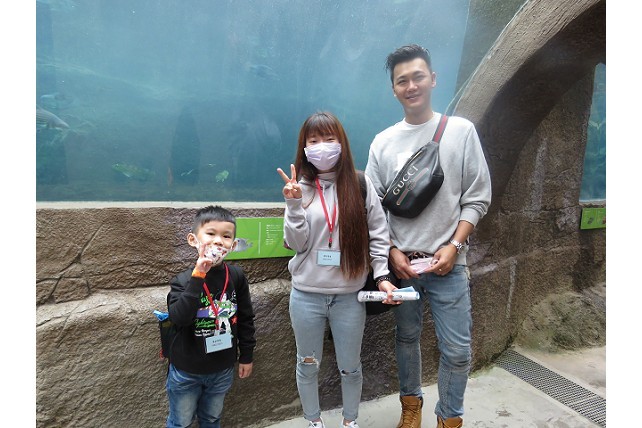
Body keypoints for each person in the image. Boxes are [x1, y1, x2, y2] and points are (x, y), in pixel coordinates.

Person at [365, 44, 492, 428]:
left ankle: (449, 418)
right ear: (394, 89)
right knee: (406, 338)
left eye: (418, 76)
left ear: (433, 79)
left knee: (458, 350)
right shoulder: (382, 142)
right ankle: (411, 407)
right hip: (403, 266)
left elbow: (477, 198)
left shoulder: (461, 131)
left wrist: (454, 246)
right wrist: (391, 252)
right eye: (402, 80)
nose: (411, 86)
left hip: (449, 263)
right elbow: (373, 209)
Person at [276, 111, 397, 428]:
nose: (322, 147)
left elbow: (379, 233)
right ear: (304, 148)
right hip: (306, 296)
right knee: (307, 364)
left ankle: (349, 421)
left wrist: (382, 276)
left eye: (329, 139)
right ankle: (313, 421)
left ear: (341, 142)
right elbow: (296, 243)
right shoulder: (299, 188)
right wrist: (293, 205)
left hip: (349, 297)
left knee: (350, 367)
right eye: (314, 140)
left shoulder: (360, 184)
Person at [165, 205, 257, 428]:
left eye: (226, 236)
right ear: (193, 240)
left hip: (222, 368)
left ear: (233, 245)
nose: (218, 241)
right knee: (181, 421)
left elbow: (245, 318)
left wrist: (246, 355)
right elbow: (179, 318)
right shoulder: (183, 280)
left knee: (212, 418)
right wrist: (198, 276)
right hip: (187, 370)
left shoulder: (236, 276)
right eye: (210, 233)